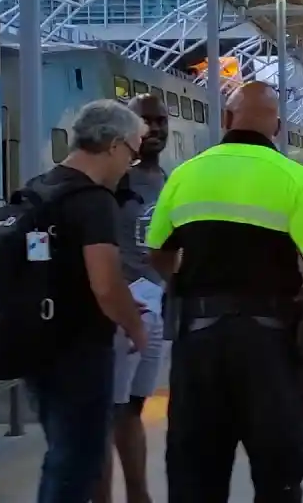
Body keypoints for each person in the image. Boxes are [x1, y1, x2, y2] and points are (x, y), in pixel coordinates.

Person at [143, 81, 303, 502]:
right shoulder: (294, 178)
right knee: (278, 476)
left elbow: (157, 253)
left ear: (227, 119)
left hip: (198, 345)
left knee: (194, 476)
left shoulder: (185, 174)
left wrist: (190, 283)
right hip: (270, 348)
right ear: (278, 129)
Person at [28, 100, 150, 503]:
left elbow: (37, 264)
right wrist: (134, 325)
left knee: (61, 455)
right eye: (132, 153)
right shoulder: (94, 201)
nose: (130, 164)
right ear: (114, 146)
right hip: (80, 348)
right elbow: (106, 284)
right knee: (78, 461)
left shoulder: (40, 188)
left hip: (39, 343)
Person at [96, 93, 170, 503]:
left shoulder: (169, 179)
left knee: (132, 409)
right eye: (147, 122)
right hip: (125, 309)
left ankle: (139, 495)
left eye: (161, 121)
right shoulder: (112, 180)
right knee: (108, 414)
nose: (155, 129)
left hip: (156, 306)